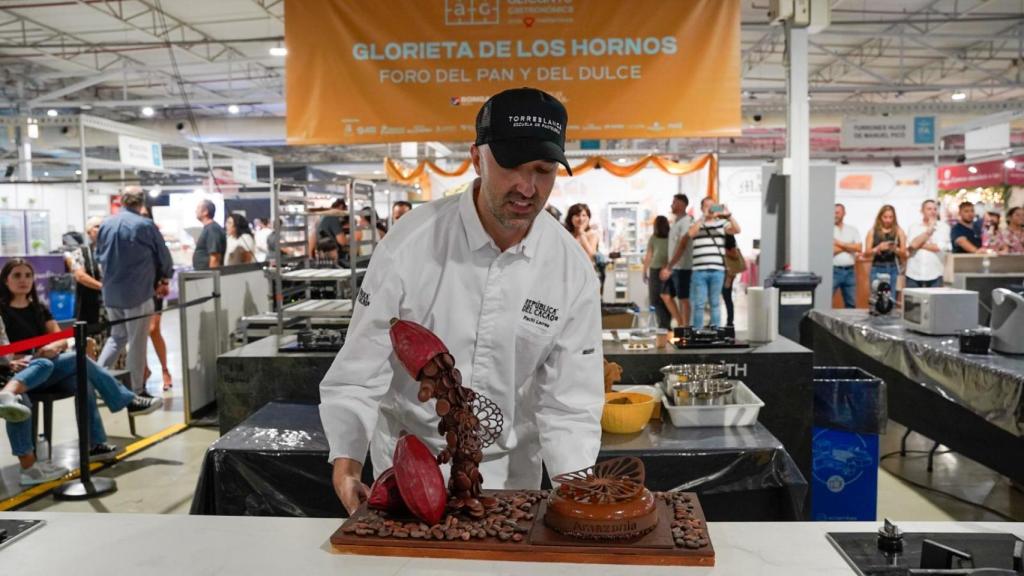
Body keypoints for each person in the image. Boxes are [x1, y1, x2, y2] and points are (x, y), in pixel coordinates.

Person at [320, 87, 603, 514]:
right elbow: (361, 369)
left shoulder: (570, 269)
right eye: (511, 166)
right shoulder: (409, 244)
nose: (527, 187)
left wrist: (577, 497)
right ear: (476, 158)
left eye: (543, 170)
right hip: (410, 469)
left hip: (510, 479)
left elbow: (570, 404)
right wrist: (346, 467)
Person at [0, 260, 162, 484]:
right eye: (17, 275)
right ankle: (127, 400)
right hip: (20, 373)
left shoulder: (39, 309)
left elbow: (60, 340)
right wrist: (23, 357)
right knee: (68, 367)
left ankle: (95, 445)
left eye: (28, 275)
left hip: (46, 367)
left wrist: (51, 347)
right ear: (5, 281)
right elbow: (6, 351)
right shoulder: (2, 311)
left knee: (80, 377)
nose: (23, 280)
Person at [96, 187, 174, 395]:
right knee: (137, 342)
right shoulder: (145, 225)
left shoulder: (105, 224)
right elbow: (163, 256)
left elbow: (98, 256)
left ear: (122, 201)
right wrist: (164, 278)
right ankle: (137, 390)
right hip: (137, 292)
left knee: (117, 337)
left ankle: (95, 380)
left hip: (111, 293)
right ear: (142, 203)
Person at [687, 197, 740, 328]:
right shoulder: (696, 223)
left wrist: (729, 215)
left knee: (715, 303)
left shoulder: (722, 223)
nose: (710, 209)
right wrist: (703, 217)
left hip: (717, 270)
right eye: (707, 206)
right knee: (699, 304)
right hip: (699, 270)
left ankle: (716, 332)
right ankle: (697, 331)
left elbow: (737, 230)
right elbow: (691, 234)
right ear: (701, 208)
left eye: (712, 206)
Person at [139, 204, 173, 392]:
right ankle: (143, 369)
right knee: (140, 331)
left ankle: (165, 369)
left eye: (145, 214)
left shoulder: (154, 234)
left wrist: (165, 280)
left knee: (153, 328)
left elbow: (165, 258)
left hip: (155, 286)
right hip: (137, 288)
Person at [659, 194, 693, 327]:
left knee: (683, 299)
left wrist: (669, 266)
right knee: (665, 295)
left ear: (682, 204)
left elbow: (682, 245)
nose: (671, 205)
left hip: (683, 267)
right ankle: (681, 324)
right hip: (674, 267)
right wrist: (669, 265)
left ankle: (685, 327)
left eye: (674, 202)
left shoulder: (687, 221)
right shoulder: (676, 222)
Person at [64, 216, 104, 326]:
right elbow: (80, 276)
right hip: (89, 304)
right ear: (88, 232)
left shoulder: (114, 251)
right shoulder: (79, 252)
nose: (101, 229)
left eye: (104, 226)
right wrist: (103, 287)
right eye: (97, 226)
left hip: (113, 305)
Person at [906, 199, 951, 288]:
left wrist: (919, 244)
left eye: (935, 209)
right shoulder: (914, 227)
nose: (933, 212)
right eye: (929, 209)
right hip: (914, 274)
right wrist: (929, 231)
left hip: (935, 275)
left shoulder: (943, 227)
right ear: (922, 211)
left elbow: (938, 247)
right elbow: (913, 245)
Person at [864, 204, 907, 298]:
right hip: (877, 267)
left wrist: (895, 249)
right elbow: (866, 253)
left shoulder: (899, 231)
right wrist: (878, 248)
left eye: (891, 217)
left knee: (892, 297)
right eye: (885, 217)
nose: (888, 220)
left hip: (893, 268)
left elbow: (904, 253)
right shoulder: (872, 231)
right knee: (877, 296)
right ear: (880, 217)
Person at [642, 215, 672, 330]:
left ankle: (664, 325)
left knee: (654, 299)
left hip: (655, 270)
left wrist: (644, 271)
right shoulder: (671, 237)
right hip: (668, 270)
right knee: (666, 300)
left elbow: (649, 256)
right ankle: (666, 324)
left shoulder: (654, 238)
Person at [564, 204, 603, 289]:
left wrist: (581, 233)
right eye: (577, 215)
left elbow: (591, 256)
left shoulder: (592, 234)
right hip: (567, 276)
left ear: (588, 218)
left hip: (586, 277)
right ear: (571, 217)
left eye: (584, 215)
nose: (581, 219)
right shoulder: (566, 234)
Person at [832, 203, 861, 309]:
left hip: (850, 272)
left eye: (838, 212)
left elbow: (859, 248)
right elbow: (830, 250)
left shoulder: (852, 230)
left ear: (844, 213)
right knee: (826, 300)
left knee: (851, 303)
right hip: (833, 271)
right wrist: (849, 246)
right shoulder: (828, 229)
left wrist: (839, 243)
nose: (835, 215)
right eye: (833, 212)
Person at [193, 199, 226, 270]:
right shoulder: (209, 228)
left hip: (207, 275)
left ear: (205, 212)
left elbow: (215, 257)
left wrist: (211, 275)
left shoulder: (212, 229)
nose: (195, 211)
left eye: (198, 208)